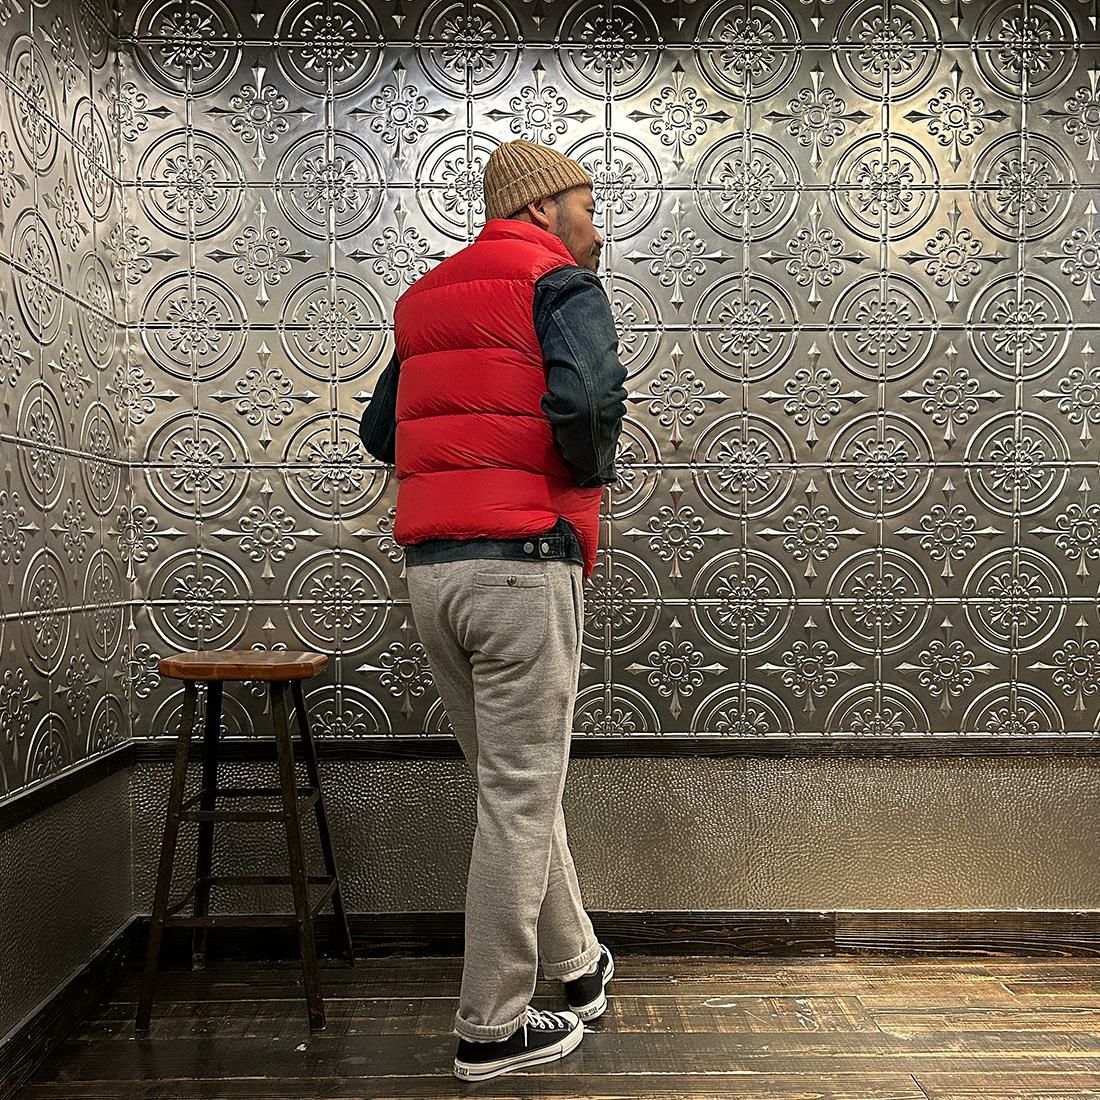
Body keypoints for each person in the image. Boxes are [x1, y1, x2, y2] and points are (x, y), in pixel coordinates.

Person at [358, 139, 629, 1082]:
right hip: (522, 564)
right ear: (543, 206)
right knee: (520, 794)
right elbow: (589, 402)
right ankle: (491, 1026)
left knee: (514, 787)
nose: (598, 227)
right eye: (588, 205)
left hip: (434, 574)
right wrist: (580, 478)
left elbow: (381, 431)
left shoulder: (424, 299)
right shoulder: (560, 284)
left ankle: (577, 966)